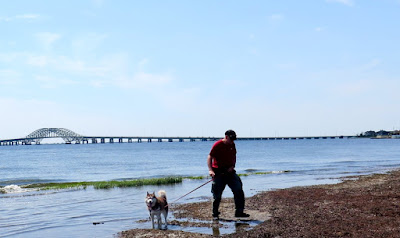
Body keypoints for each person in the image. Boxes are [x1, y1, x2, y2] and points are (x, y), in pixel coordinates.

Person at [207, 129, 250, 219]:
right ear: (226, 137)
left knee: (238, 189)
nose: (232, 141)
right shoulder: (218, 144)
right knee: (217, 194)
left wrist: (232, 166)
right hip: (218, 172)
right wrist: (210, 170)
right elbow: (210, 156)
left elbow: (234, 157)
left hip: (230, 172)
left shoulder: (232, 145)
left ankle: (239, 212)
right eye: (231, 139)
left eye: (233, 139)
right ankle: (215, 213)